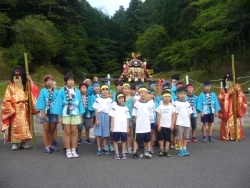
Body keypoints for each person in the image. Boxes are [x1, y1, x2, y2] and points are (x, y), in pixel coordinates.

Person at [1, 68, 39, 150]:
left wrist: (30, 80)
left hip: (24, 108)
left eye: (19, 76)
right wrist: (10, 109)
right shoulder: (10, 86)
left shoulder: (25, 85)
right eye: (15, 76)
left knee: (25, 125)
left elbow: (33, 91)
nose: (17, 77)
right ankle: (15, 143)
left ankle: (23, 142)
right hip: (14, 108)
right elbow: (6, 99)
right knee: (15, 126)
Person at [54, 72, 85, 159]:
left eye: (72, 80)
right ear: (66, 81)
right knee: (67, 132)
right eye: (69, 80)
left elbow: (80, 104)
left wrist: (80, 115)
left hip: (75, 112)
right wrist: (59, 117)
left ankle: (74, 149)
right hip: (66, 113)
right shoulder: (61, 91)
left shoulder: (77, 91)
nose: (71, 82)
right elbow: (58, 104)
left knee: (74, 132)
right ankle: (67, 150)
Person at [218, 73, 247, 141]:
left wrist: (237, 92)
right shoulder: (224, 89)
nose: (228, 81)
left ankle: (236, 135)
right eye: (227, 80)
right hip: (226, 108)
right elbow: (221, 98)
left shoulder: (237, 86)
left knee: (235, 121)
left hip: (235, 106)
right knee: (226, 122)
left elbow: (241, 96)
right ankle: (227, 135)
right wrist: (228, 94)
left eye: (230, 79)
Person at [36, 75, 58, 154]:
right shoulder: (43, 91)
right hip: (45, 112)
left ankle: (51, 144)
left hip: (53, 113)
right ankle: (46, 146)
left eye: (50, 80)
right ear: (45, 82)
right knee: (46, 130)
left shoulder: (56, 91)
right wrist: (42, 112)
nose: (49, 82)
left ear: (52, 81)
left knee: (52, 130)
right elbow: (41, 101)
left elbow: (58, 102)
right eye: (47, 80)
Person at [132, 86, 154, 159]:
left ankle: (148, 151)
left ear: (147, 94)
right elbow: (135, 114)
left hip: (147, 125)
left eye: (145, 93)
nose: (143, 94)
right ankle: (135, 152)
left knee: (147, 139)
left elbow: (151, 115)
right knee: (137, 140)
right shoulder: (137, 104)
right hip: (139, 126)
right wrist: (135, 121)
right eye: (141, 93)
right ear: (139, 94)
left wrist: (151, 123)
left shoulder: (150, 104)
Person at [109, 92, 131, 159]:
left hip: (123, 128)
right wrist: (112, 126)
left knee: (124, 140)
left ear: (124, 99)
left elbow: (127, 118)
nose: (121, 100)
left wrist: (127, 127)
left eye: (122, 98)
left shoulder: (126, 108)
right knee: (115, 140)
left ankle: (123, 152)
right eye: (119, 98)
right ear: (117, 99)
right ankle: (117, 153)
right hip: (116, 127)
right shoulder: (114, 107)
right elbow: (112, 117)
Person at [92, 84, 113, 156]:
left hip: (107, 116)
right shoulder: (98, 99)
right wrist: (97, 119)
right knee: (98, 134)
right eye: (103, 90)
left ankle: (105, 148)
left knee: (105, 134)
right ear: (101, 91)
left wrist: (111, 121)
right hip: (100, 116)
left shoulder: (110, 100)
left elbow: (111, 111)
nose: (105, 91)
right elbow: (96, 110)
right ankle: (99, 149)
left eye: (106, 90)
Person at [174, 86, 193, 157]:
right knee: (179, 137)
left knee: (185, 137)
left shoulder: (187, 103)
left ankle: (184, 148)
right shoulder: (176, 103)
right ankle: (180, 149)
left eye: (184, 94)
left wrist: (189, 123)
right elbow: (175, 114)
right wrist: (175, 123)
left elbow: (189, 114)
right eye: (181, 93)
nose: (182, 95)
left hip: (186, 123)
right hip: (179, 123)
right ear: (178, 94)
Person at [156, 91, 175, 157]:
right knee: (161, 138)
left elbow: (173, 116)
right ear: (162, 98)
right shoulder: (160, 107)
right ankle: (161, 150)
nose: (167, 98)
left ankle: (167, 150)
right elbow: (158, 116)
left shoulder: (172, 107)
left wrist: (172, 125)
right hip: (161, 125)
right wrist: (158, 124)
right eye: (165, 96)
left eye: (168, 97)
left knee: (168, 139)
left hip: (168, 126)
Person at [122, 83, 135, 154]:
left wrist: (134, 118)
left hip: (130, 118)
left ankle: (129, 146)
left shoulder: (132, 99)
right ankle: (124, 147)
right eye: (125, 89)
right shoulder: (121, 98)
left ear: (130, 90)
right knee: (123, 133)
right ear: (122, 90)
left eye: (128, 89)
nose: (126, 90)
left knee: (129, 133)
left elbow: (135, 109)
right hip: (122, 119)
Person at [52, 80, 59, 147]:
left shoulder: (57, 93)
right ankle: (50, 140)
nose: (53, 86)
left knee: (55, 127)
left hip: (55, 112)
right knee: (49, 128)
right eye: (52, 84)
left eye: (54, 85)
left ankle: (54, 140)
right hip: (49, 112)